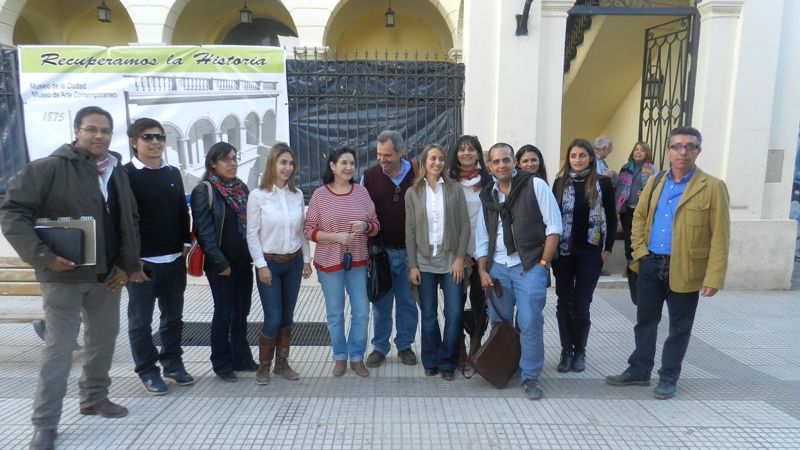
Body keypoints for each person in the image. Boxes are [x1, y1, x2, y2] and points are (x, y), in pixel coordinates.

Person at [1, 106, 140, 450]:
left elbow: (127, 220)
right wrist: (44, 257)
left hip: (107, 276)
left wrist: (126, 265)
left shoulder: (116, 170)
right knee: (59, 351)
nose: (99, 136)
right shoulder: (48, 168)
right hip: (63, 276)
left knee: (103, 341)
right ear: (76, 131)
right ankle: (45, 424)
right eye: (91, 129)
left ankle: (94, 398)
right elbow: (12, 212)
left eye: (105, 130)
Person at [606, 126, 730, 400]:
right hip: (650, 264)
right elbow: (638, 217)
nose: (682, 152)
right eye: (676, 146)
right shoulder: (656, 180)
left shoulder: (712, 187)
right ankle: (639, 370)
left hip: (686, 267)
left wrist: (713, 277)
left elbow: (720, 235)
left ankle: (668, 376)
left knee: (679, 326)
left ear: (698, 151)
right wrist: (639, 252)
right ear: (668, 150)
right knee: (644, 321)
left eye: (689, 146)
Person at [474, 143, 562, 400]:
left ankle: (530, 375)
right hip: (498, 268)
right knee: (499, 322)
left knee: (529, 320)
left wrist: (543, 264)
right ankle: (505, 365)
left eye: (506, 160)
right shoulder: (488, 195)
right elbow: (482, 235)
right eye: (496, 161)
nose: (501, 165)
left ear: (514, 162)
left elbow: (554, 227)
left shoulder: (534, 186)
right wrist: (482, 270)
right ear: (489, 166)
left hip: (529, 266)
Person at [123, 118, 193, 396]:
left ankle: (173, 363)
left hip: (173, 260)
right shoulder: (125, 175)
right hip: (142, 264)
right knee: (140, 322)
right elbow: (123, 221)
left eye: (160, 137)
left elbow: (180, 211)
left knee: (173, 317)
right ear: (134, 142)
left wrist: (186, 243)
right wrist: (130, 261)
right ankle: (148, 370)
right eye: (148, 137)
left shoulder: (172, 173)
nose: (155, 142)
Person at [305, 145, 379, 377]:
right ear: (333, 166)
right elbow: (309, 230)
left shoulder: (361, 192)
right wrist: (335, 237)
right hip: (329, 264)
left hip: (357, 262)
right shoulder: (319, 195)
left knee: (361, 312)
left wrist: (366, 227)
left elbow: (376, 225)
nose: (348, 167)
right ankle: (339, 356)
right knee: (335, 313)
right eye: (344, 163)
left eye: (352, 163)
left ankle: (356, 356)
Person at [246, 143, 313, 385]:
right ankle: (264, 364)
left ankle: (282, 363)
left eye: (291, 163)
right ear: (272, 164)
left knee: (287, 317)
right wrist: (261, 265)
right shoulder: (258, 196)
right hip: (270, 265)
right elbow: (252, 234)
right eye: (283, 162)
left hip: (293, 263)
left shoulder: (296, 195)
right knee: (273, 317)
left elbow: (302, 231)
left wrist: (306, 260)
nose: (287, 167)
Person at [191, 142, 256, 383]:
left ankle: (241, 357)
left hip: (243, 262)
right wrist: (220, 263)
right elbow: (204, 232)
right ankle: (221, 362)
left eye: (234, 158)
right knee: (224, 312)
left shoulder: (242, 188)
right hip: (221, 265)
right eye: (226, 159)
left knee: (242, 311)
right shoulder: (205, 190)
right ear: (213, 163)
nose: (232, 163)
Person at [551, 139, 617, 373]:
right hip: (564, 251)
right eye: (573, 156)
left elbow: (611, 215)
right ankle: (565, 351)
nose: (577, 160)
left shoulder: (603, 183)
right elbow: (553, 216)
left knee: (582, 304)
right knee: (564, 302)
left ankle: (580, 351)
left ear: (591, 157)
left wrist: (607, 249)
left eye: (582, 155)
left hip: (590, 251)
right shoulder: (559, 183)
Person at [405, 144, 470, 380]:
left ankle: (447, 362)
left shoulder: (454, 189)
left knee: (453, 314)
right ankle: (431, 360)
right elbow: (410, 232)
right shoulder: (413, 193)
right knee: (429, 315)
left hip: (451, 260)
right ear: (424, 162)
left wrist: (460, 259)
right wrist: (412, 264)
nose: (437, 162)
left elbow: (464, 226)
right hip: (423, 262)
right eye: (433, 158)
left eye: (441, 159)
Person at [361, 130, 419, 368]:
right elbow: (362, 211)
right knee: (381, 303)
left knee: (407, 303)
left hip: (409, 254)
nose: (382, 160)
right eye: (378, 155)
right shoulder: (369, 176)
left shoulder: (417, 173)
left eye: (387, 155)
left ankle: (405, 346)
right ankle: (380, 347)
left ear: (401, 152)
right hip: (381, 253)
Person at [447, 135, 492, 370]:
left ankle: (476, 346)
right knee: (454, 304)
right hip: (457, 253)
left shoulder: (488, 181)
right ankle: (460, 349)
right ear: (456, 153)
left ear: (478, 154)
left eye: (471, 149)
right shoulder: (448, 181)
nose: (466, 153)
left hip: (483, 251)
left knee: (479, 303)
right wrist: (459, 252)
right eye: (462, 149)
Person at [614, 141, 656, 304]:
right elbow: (619, 186)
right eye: (636, 150)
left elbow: (656, 188)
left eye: (642, 150)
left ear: (647, 153)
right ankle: (630, 265)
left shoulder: (651, 169)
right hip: (627, 209)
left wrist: (646, 192)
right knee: (627, 237)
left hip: (641, 210)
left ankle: (638, 264)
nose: (638, 152)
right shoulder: (626, 167)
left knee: (639, 238)